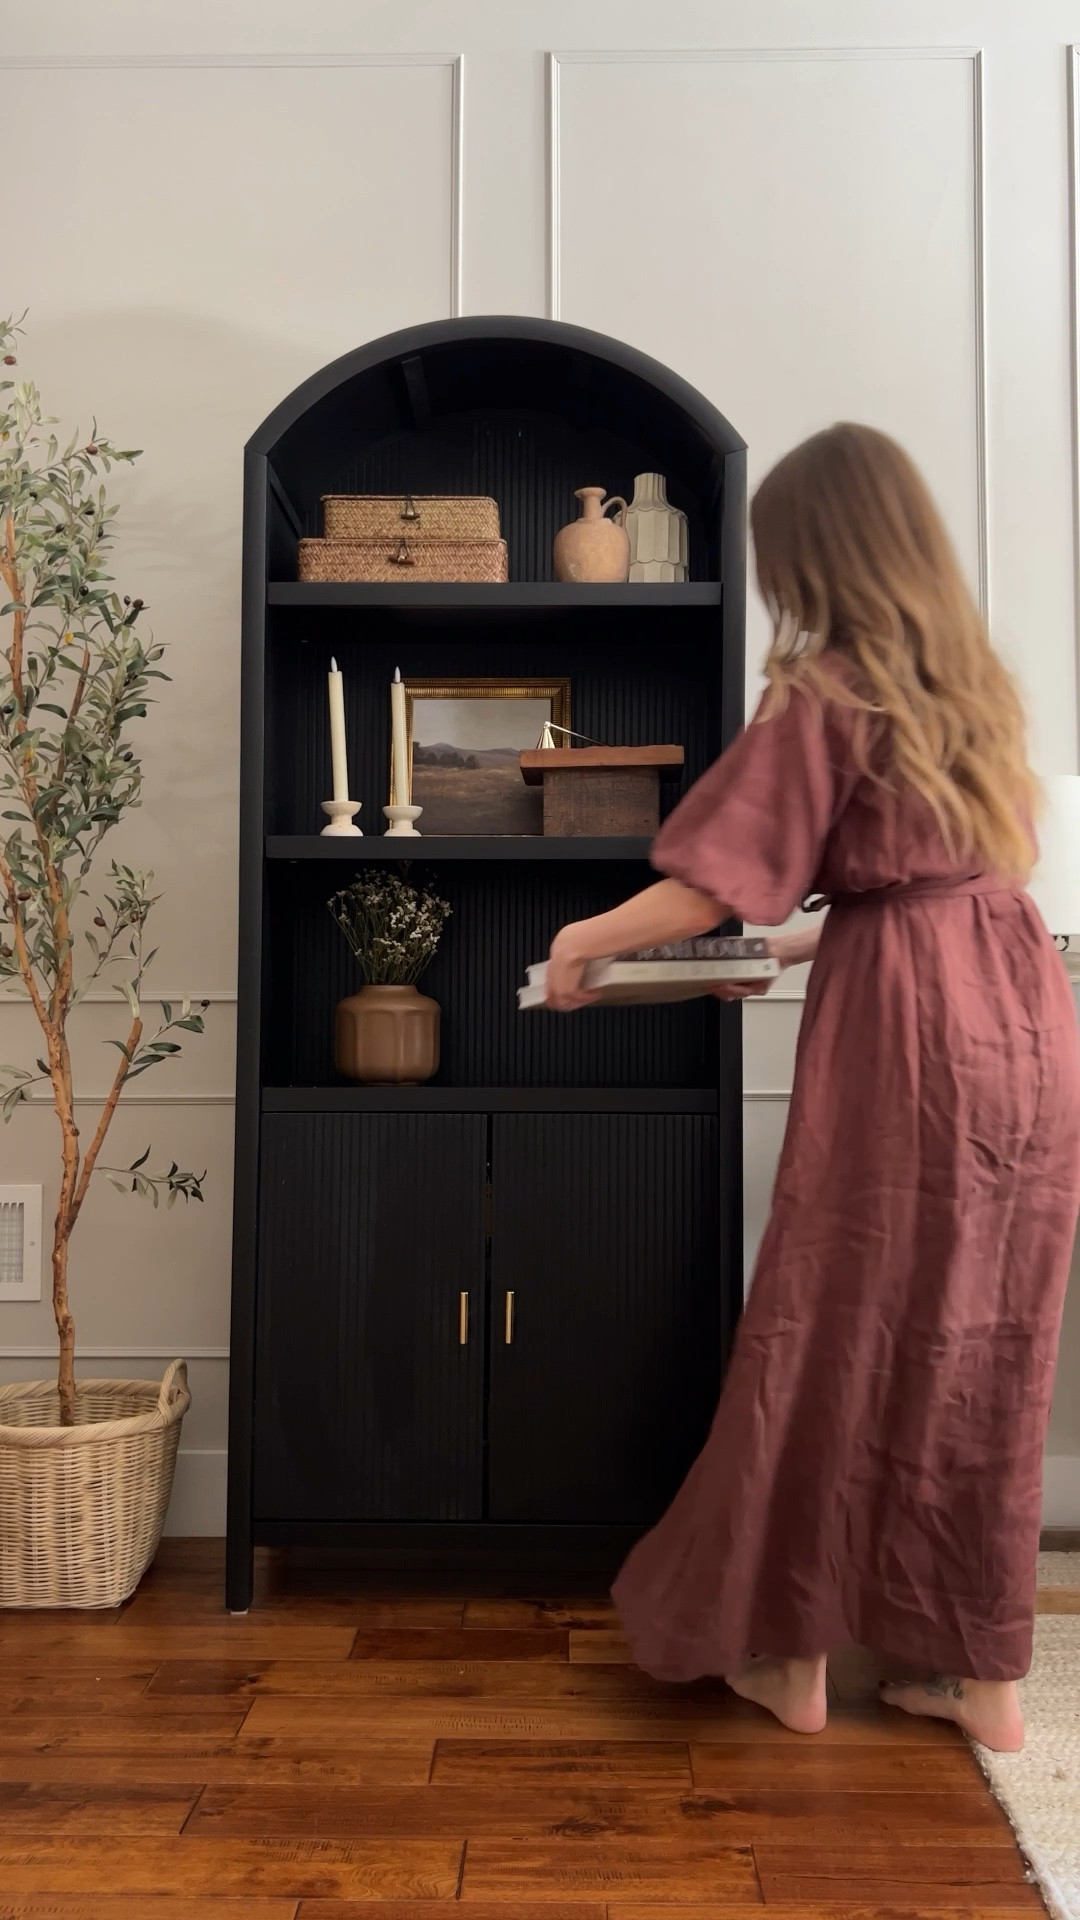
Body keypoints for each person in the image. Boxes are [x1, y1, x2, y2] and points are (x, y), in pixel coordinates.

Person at [543, 422, 1080, 1753]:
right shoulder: (976, 693)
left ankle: (791, 1661)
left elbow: (725, 872)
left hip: (910, 1040)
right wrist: (778, 943)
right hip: (1025, 1023)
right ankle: (982, 1681)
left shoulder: (830, 691)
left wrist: (584, 942)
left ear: (815, 552)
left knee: (829, 1330)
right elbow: (932, 883)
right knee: (982, 1343)